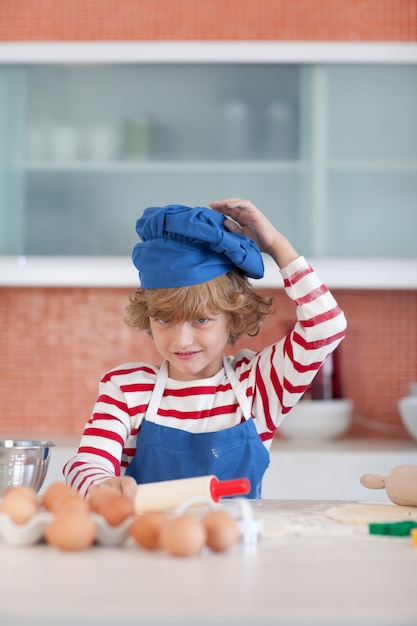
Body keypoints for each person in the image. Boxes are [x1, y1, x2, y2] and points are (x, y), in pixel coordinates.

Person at [64, 198, 347, 500]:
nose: (182, 340)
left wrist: (277, 244)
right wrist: (101, 487)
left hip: (236, 545)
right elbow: (86, 464)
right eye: (164, 319)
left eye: (201, 319)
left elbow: (326, 325)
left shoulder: (259, 387)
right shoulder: (127, 390)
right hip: (149, 544)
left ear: (233, 315)